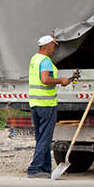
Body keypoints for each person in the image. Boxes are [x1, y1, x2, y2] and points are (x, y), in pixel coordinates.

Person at [27, 34, 73, 178]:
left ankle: (44, 168)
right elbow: (45, 79)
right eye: (54, 46)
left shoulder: (35, 59)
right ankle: (34, 168)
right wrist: (61, 80)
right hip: (46, 104)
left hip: (35, 103)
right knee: (45, 138)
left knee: (41, 137)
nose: (54, 49)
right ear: (49, 46)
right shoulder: (46, 61)